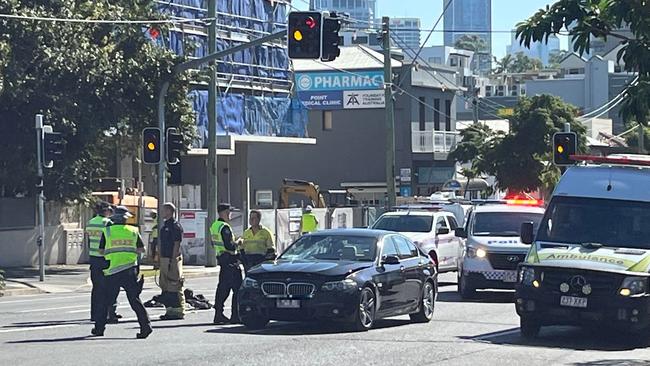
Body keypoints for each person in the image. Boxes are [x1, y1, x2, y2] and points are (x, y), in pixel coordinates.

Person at [92, 206, 152, 339]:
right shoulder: (133, 230)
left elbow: (101, 251)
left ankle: (99, 328)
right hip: (130, 270)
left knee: (106, 301)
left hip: (112, 271)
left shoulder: (107, 231)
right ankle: (146, 326)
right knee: (134, 300)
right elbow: (142, 249)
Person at [85, 202, 120, 323]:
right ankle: (107, 314)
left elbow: (89, 240)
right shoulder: (107, 223)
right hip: (105, 258)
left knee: (96, 288)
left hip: (94, 258)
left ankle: (95, 314)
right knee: (107, 288)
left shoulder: (91, 222)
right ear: (106, 211)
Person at [210, 203, 243, 325]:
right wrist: (238, 242)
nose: (230, 214)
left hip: (222, 260)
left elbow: (213, 244)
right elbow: (230, 246)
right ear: (224, 212)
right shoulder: (224, 227)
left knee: (222, 288)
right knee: (237, 289)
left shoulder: (214, 226)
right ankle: (236, 315)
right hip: (230, 261)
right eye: (229, 212)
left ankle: (218, 314)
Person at [157, 203, 185, 320]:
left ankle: (178, 311)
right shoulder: (164, 226)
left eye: (163, 210)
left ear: (169, 211)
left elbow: (176, 244)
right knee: (165, 285)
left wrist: (173, 260)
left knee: (174, 284)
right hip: (165, 258)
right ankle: (169, 311)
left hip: (172, 258)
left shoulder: (175, 226)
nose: (161, 212)